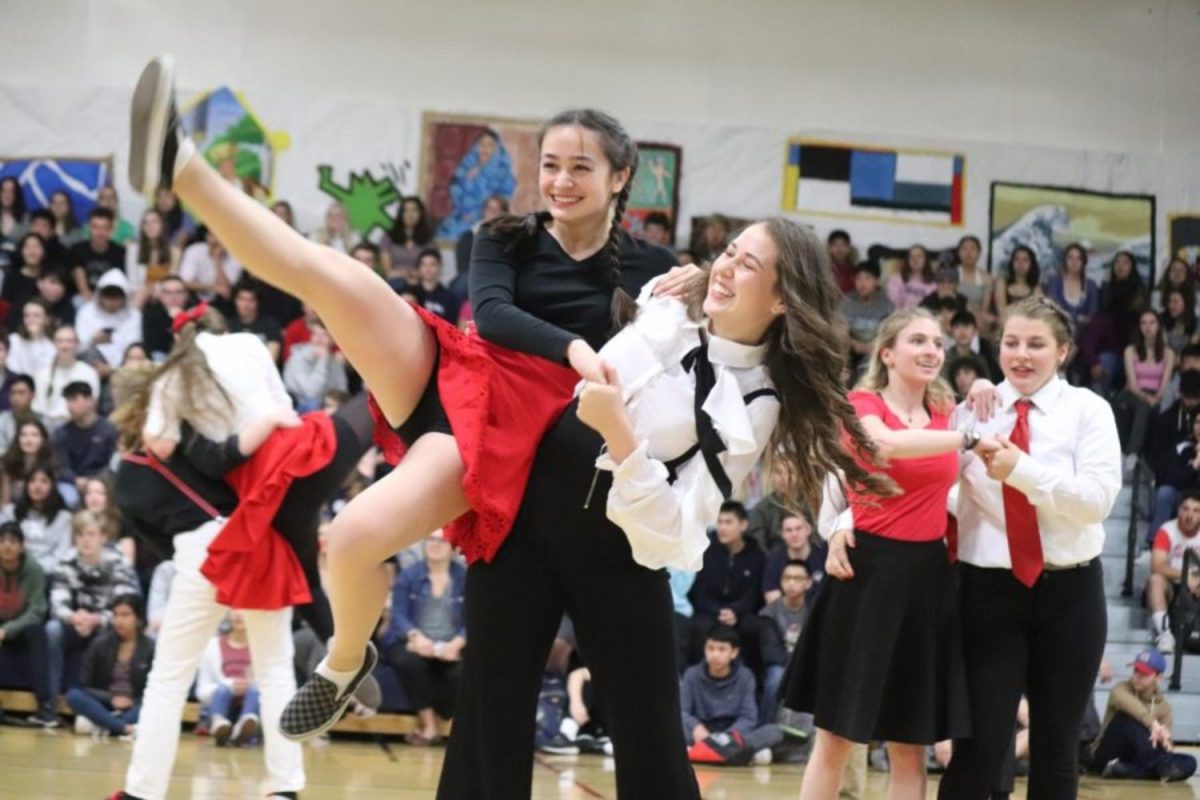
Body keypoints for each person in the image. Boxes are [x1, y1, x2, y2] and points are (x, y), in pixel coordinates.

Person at [130, 62, 882, 796]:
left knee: (642, 736)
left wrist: (641, 391)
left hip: (577, 498)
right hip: (486, 416)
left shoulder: (685, 309)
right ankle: (181, 164)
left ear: (622, 177)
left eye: (580, 167)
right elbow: (495, 317)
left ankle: (344, 660)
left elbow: (730, 448)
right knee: (333, 280)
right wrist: (595, 343)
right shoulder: (575, 264)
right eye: (549, 164)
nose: (560, 180)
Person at [438, 217, 886, 799]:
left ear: (782, 298)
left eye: (749, 263)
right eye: (728, 251)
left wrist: (621, 437)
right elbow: (668, 280)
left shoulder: (754, 399)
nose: (726, 265)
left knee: (649, 730)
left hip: (622, 547)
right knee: (488, 706)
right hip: (530, 511)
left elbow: (676, 529)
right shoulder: (670, 303)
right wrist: (714, 275)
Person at [787, 307, 987, 800]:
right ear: (887, 353)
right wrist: (967, 434)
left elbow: (979, 443)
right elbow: (885, 446)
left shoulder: (946, 412)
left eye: (938, 343)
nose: (931, 351)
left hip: (926, 579)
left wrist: (985, 389)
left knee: (910, 742)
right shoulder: (861, 404)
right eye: (918, 341)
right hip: (866, 574)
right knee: (835, 737)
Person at [937, 295, 1122, 798]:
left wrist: (1021, 469)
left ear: (1062, 351)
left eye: (1036, 344)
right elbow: (929, 490)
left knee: (1057, 748)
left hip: (1071, 594)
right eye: (1011, 342)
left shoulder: (1090, 411)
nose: (1021, 354)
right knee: (978, 745)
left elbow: (1094, 502)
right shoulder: (968, 414)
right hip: (988, 593)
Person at [109, 401, 310, 800]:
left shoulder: (127, 474)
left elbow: (154, 539)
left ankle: (141, 792)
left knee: (168, 679)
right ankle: (286, 789)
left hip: (197, 551)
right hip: (255, 536)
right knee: (275, 670)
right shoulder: (199, 433)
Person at [379, 530, 466, 746]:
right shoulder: (408, 575)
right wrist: (416, 638)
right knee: (408, 663)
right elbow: (398, 615)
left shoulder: (465, 577)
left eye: (442, 540)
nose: (435, 545)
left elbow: (475, 617)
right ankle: (428, 726)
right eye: (431, 540)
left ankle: (444, 719)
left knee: (463, 669)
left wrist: (457, 643)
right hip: (413, 641)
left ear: (453, 547)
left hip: (452, 642)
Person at [45, 510, 140, 708]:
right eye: (80, 535)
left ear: (102, 537)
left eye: (91, 534)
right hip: (76, 623)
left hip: (107, 623)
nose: (85, 540)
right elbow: (57, 603)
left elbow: (124, 606)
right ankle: (49, 706)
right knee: (51, 629)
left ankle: (101, 705)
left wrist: (96, 619)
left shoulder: (118, 563)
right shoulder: (65, 563)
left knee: (114, 632)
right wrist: (73, 617)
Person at [1087, 648, 1196, 781]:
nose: (1137, 676)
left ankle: (1126, 770)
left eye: (1144, 673)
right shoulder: (1120, 689)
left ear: (1159, 678)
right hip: (1106, 753)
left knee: (1190, 762)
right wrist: (1153, 725)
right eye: (1136, 671)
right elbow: (1131, 706)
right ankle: (1153, 770)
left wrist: (1166, 742)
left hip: (1140, 757)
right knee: (1126, 719)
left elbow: (1165, 739)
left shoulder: (1164, 706)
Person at [681, 625, 783, 765]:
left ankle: (697, 753)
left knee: (774, 731)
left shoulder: (745, 676)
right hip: (701, 733)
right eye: (710, 648)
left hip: (733, 735)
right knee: (676, 730)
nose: (715, 655)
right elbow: (682, 711)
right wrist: (697, 727)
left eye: (722, 649)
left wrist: (726, 737)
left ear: (734, 653)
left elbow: (748, 717)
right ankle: (740, 755)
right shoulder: (692, 675)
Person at [65, 593, 153, 740]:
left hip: (134, 706)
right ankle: (124, 728)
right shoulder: (100, 644)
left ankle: (101, 724)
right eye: (116, 615)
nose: (119, 621)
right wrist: (111, 698)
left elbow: (153, 690)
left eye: (125, 615)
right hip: (104, 704)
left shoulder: (150, 648)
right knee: (73, 695)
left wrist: (130, 701)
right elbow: (85, 685)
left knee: (151, 706)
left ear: (138, 619)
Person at [0, 520, 54, 726]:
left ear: (22, 547)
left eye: (13, 541)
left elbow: (38, 609)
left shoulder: (33, 569)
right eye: (2, 540)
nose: (7, 546)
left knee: (37, 632)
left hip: (21, 625)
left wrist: (7, 630)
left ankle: (44, 706)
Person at [1114, 309, 1174, 465]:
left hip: (1156, 393)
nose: (1148, 327)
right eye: (1144, 323)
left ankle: (1135, 454)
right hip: (1133, 392)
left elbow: (1164, 384)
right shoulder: (1130, 350)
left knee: (1146, 407)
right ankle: (1130, 453)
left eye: (1152, 323)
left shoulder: (1168, 353)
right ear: (1139, 327)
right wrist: (1149, 399)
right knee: (1141, 405)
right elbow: (1132, 384)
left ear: (1159, 326)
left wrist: (1158, 397)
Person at [196, 611, 261, 746]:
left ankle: (246, 722)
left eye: (245, 609)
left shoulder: (264, 648)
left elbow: (273, 688)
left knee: (254, 691)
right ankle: (219, 723)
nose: (239, 614)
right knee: (223, 690)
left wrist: (248, 685)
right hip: (220, 703)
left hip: (254, 705)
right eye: (236, 608)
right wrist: (230, 685)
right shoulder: (212, 645)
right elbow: (201, 691)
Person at [1146, 489, 1200, 653]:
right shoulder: (1166, 530)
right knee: (1155, 580)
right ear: (1178, 510)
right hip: (1173, 586)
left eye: (1196, 510)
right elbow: (1157, 565)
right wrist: (1185, 577)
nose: (1189, 515)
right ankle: (1164, 634)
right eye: (1185, 509)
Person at [51, 381, 118, 495]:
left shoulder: (109, 431)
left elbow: (112, 463)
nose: (69, 406)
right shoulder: (61, 433)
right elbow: (60, 466)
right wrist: (75, 480)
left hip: (103, 482)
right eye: (68, 401)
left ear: (89, 401)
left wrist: (94, 481)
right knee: (68, 497)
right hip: (72, 484)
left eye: (74, 399)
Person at [33, 326, 101, 429]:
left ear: (77, 344)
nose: (64, 346)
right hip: (48, 424)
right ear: (54, 344)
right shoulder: (42, 374)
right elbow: (38, 408)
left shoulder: (88, 373)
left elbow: (92, 404)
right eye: (60, 341)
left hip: (79, 424)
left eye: (69, 341)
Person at [839, 260, 893, 378]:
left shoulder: (886, 305)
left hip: (875, 347)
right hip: (850, 347)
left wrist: (873, 346)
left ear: (877, 281)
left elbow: (889, 332)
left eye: (868, 279)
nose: (862, 283)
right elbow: (840, 329)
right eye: (859, 279)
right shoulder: (847, 301)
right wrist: (854, 344)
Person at [282, 319, 348, 413]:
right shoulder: (298, 357)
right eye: (315, 334)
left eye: (325, 335)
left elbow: (342, 391)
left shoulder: (334, 362)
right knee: (312, 404)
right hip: (296, 407)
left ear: (333, 340)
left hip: (325, 407)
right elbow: (312, 393)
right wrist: (322, 360)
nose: (319, 339)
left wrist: (335, 401)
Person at [68, 207, 126, 301]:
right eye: (95, 227)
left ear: (111, 230)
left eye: (105, 228)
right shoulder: (77, 250)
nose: (100, 232)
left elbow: (119, 285)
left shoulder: (120, 252)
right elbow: (83, 288)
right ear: (89, 228)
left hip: (112, 299)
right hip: (85, 299)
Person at [1042, 242, 1099, 332]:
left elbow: (1092, 315)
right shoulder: (1054, 282)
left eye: (1078, 258)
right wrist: (1078, 317)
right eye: (1070, 257)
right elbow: (1055, 310)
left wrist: (1073, 317)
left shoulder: (1091, 285)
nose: (1074, 262)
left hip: (1085, 333)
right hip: (1058, 329)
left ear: (1083, 262)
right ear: (1064, 260)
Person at [7, 299, 56, 379]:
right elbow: (11, 369)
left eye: (36, 315)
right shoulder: (13, 340)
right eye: (27, 315)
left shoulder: (52, 345)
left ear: (47, 320)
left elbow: (47, 374)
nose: (31, 319)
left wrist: (35, 337)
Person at [992, 245, 1041, 318]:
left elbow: (1037, 314)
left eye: (1025, 260)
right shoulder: (1002, 282)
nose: (1020, 263)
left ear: (1031, 264)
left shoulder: (1036, 288)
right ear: (1012, 262)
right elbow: (1001, 312)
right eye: (1017, 259)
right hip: (1005, 325)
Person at [885, 245, 937, 311]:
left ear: (926, 260)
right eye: (911, 257)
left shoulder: (934, 284)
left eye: (919, 256)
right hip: (900, 317)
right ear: (907, 260)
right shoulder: (895, 280)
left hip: (924, 318)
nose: (915, 260)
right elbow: (892, 305)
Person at [827, 230, 855, 295]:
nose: (839, 248)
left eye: (843, 245)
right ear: (828, 248)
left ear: (849, 248)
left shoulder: (855, 271)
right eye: (835, 244)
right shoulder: (822, 269)